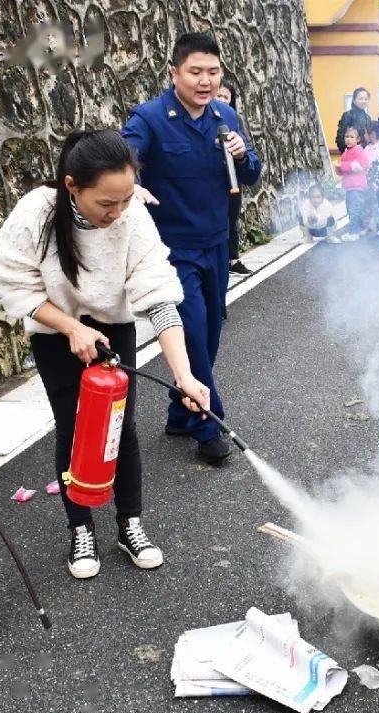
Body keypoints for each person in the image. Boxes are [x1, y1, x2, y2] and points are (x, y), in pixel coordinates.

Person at [0, 130, 213, 579]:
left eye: (126, 199)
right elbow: (16, 286)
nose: (118, 213)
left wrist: (185, 376)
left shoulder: (132, 219)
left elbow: (161, 300)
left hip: (113, 326)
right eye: (106, 203)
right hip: (55, 330)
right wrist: (71, 326)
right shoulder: (37, 214)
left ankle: (129, 524)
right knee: (73, 430)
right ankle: (80, 529)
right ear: (72, 186)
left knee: (120, 427)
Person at [121, 32, 261, 465]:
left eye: (213, 72)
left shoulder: (225, 116)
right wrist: (134, 186)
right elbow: (122, 157)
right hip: (172, 252)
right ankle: (209, 426)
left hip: (217, 244)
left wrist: (242, 156)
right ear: (175, 73)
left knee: (212, 334)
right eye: (195, 72)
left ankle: (179, 414)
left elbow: (253, 173)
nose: (205, 81)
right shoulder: (150, 118)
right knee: (194, 335)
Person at [215, 79, 251, 276]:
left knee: (231, 218)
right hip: (212, 181)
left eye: (225, 97)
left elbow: (249, 154)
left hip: (232, 179)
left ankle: (233, 259)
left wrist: (242, 155)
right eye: (218, 95)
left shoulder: (234, 120)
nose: (221, 99)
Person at [334, 126, 370, 242]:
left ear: (358, 139)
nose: (348, 139)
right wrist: (338, 168)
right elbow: (344, 170)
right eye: (346, 136)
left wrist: (342, 166)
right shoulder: (346, 152)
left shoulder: (359, 150)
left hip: (357, 186)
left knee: (355, 209)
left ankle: (354, 232)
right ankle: (359, 229)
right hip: (349, 186)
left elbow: (359, 166)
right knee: (351, 209)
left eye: (351, 137)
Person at [335, 87, 372, 153]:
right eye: (360, 99)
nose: (363, 101)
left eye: (366, 99)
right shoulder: (348, 115)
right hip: (351, 152)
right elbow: (340, 136)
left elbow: (368, 136)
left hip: (364, 153)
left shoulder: (368, 117)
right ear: (354, 101)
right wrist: (345, 152)